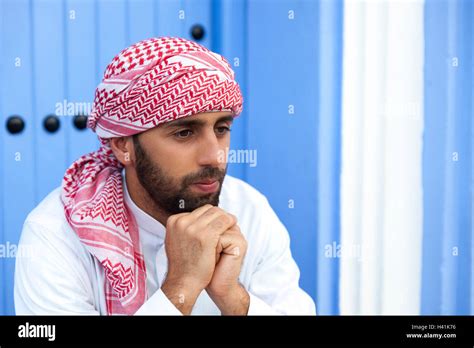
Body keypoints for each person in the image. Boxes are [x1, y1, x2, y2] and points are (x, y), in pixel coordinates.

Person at [14, 37, 316, 315]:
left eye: (222, 129)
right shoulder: (56, 235)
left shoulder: (249, 210)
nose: (215, 156)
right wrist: (180, 288)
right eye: (184, 132)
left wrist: (234, 299)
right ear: (123, 146)